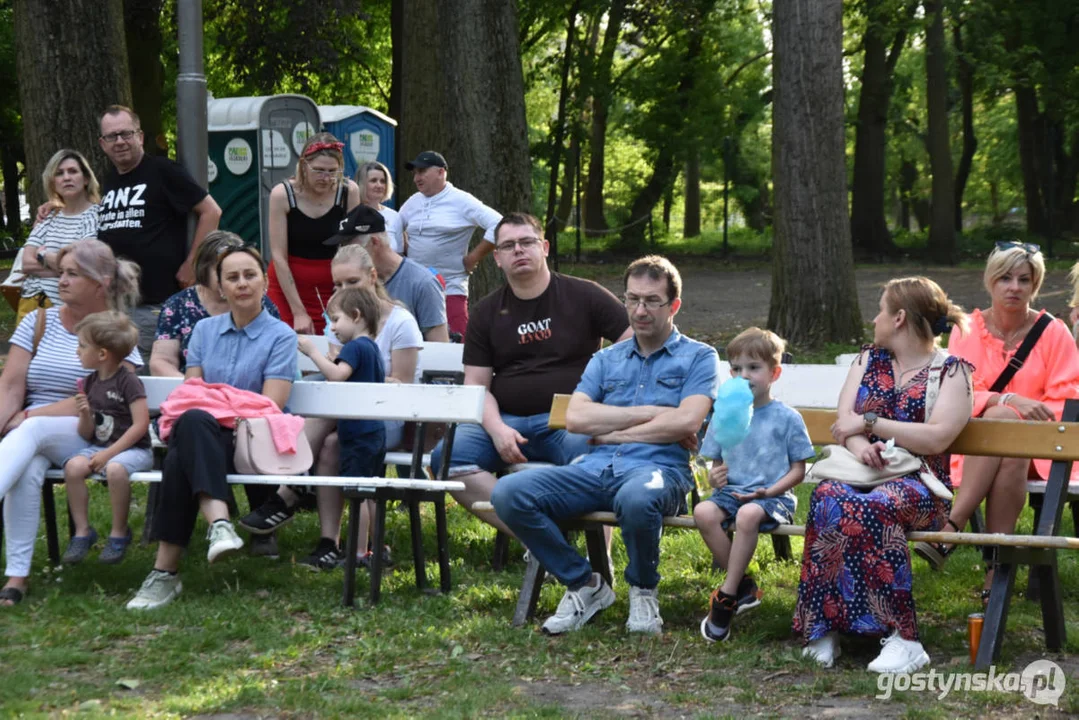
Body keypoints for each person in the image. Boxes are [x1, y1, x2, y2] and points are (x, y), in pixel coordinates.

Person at [492, 255, 718, 636]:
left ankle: (643, 590)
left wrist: (612, 430)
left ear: (673, 306)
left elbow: (687, 421)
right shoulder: (605, 359)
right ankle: (584, 584)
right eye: (631, 299)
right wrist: (652, 413)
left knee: (637, 498)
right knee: (509, 492)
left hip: (659, 470)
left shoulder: (699, 357)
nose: (639, 310)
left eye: (651, 301)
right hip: (594, 467)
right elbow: (577, 418)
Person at [794, 277, 973, 672]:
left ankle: (904, 638)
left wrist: (873, 422)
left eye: (880, 309)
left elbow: (936, 438)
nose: (874, 318)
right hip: (861, 468)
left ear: (900, 318)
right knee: (827, 497)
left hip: (919, 484)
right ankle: (825, 627)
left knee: (874, 506)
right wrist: (863, 447)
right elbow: (844, 425)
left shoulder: (952, 372)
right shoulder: (867, 359)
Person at [434, 212, 630, 536]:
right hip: (508, 420)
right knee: (446, 458)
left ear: (545, 247)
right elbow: (476, 385)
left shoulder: (585, 295)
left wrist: (607, 398)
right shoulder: (485, 311)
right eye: (508, 246)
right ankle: (542, 539)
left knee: (597, 458)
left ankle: (598, 557)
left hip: (570, 419)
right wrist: (497, 429)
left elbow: (635, 346)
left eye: (527, 242)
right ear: (497, 258)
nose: (518, 250)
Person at [126, 245, 297, 610]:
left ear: (265, 282)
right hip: (208, 435)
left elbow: (270, 406)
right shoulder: (203, 330)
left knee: (184, 447)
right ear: (220, 287)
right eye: (232, 277)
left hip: (252, 442)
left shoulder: (281, 335)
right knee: (191, 424)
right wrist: (221, 405)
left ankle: (165, 573)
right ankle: (218, 526)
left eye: (250, 275)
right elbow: (192, 395)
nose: (242, 284)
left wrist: (217, 404)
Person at [913, 243, 1079, 597]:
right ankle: (996, 578)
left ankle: (953, 527)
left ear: (1035, 285)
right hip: (977, 448)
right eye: (1005, 278)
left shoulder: (1054, 332)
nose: (1014, 287)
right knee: (1004, 430)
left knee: (1009, 431)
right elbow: (959, 390)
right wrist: (1007, 400)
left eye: (1024, 279)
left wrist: (1013, 413)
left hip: (1042, 448)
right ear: (990, 281)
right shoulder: (968, 329)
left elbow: (1066, 395)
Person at [240, 247, 421, 565]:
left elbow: (403, 384)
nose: (343, 291)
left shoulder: (399, 322)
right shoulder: (341, 320)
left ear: (372, 276)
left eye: (352, 281)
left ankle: (289, 490)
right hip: (347, 419)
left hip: (386, 419)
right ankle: (330, 543)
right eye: (337, 285)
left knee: (331, 415)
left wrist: (356, 378)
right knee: (330, 446)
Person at [0, 239, 142, 606]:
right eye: (60, 272)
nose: (61, 280)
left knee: (31, 432)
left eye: (72, 274)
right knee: (28, 467)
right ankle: (17, 578)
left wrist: (29, 416)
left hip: (91, 434)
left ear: (100, 283)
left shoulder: (116, 332)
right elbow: (11, 384)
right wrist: (4, 423)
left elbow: (106, 399)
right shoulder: (38, 320)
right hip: (28, 435)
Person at [695, 327, 814, 643]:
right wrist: (714, 475)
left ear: (774, 373)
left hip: (773, 496)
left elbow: (798, 470)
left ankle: (727, 595)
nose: (744, 375)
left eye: (754, 367)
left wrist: (771, 491)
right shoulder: (725, 415)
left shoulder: (786, 418)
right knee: (704, 513)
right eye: (736, 368)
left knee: (748, 515)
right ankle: (746, 585)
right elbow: (714, 462)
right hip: (732, 491)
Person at [96, 105, 223, 362]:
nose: (119, 141)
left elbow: (211, 212)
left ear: (140, 136)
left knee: (143, 380)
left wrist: (193, 263)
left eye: (126, 134)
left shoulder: (163, 171)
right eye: (112, 136)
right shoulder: (106, 181)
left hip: (154, 304)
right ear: (102, 143)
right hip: (113, 304)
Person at [292, 287, 386, 569]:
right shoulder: (370, 348)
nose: (331, 327)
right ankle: (369, 548)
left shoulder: (357, 347)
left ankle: (357, 554)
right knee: (366, 493)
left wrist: (312, 352)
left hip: (359, 434)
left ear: (356, 316)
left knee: (356, 493)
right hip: (372, 434)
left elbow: (336, 376)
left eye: (335, 319)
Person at [61, 311, 153, 565]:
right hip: (100, 447)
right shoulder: (89, 383)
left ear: (102, 354)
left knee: (114, 470)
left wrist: (108, 454)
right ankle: (82, 532)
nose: (77, 351)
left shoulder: (129, 382)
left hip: (134, 449)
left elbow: (141, 425)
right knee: (73, 467)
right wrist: (85, 415)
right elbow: (86, 434)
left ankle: (119, 532)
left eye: (82, 345)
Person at [398, 151, 502, 337]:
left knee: (457, 346)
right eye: (415, 173)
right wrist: (404, 245)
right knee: (414, 345)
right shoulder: (412, 202)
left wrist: (473, 258)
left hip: (450, 288)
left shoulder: (461, 200)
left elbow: (499, 224)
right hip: (414, 290)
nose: (416, 178)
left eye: (422, 171)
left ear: (441, 172)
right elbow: (395, 227)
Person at [266, 132, 360, 335]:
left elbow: (352, 249)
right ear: (303, 166)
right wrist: (298, 311)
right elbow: (278, 256)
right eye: (318, 170)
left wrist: (345, 291)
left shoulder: (348, 192)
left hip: (333, 284)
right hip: (288, 285)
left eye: (332, 171)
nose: (325, 178)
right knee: (286, 340)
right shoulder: (282, 195)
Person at [150, 230, 280, 376]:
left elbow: (274, 362)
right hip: (192, 392)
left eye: (248, 274)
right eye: (226, 271)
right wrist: (199, 392)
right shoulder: (178, 305)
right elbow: (161, 361)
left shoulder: (261, 304)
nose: (241, 283)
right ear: (203, 269)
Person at [328, 204, 449, 341]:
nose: (346, 254)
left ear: (374, 242)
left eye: (352, 248)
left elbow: (439, 346)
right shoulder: (348, 281)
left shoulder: (423, 283)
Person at [18, 149, 100, 324]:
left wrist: (42, 255)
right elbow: (26, 263)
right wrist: (65, 268)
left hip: (65, 310)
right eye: (59, 173)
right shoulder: (48, 216)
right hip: (29, 304)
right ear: (53, 182)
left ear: (86, 179)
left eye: (73, 171)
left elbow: (83, 266)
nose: (66, 177)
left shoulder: (95, 217)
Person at [356, 161, 406, 254]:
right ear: (362, 183)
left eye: (383, 181)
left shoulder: (394, 216)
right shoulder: (353, 213)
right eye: (373, 180)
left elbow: (399, 254)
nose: (379, 185)